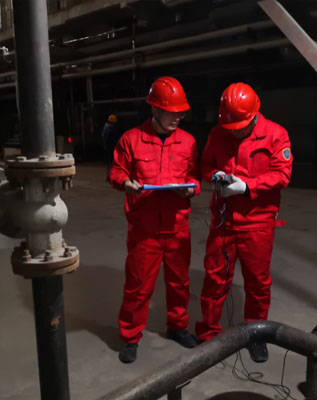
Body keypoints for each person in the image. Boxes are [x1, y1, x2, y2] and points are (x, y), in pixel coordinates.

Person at [195, 82, 292, 363]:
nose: (235, 132)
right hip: (223, 220)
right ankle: (208, 332)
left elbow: (282, 174)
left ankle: (256, 335)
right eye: (231, 127)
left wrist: (247, 186)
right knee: (214, 279)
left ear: (254, 115)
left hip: (257, 223)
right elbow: (206, 165)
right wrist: (215, 177)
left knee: (257, 283)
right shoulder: (218, 132)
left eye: (240, 127)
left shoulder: (276, 135)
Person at [109, 76, 200, 363]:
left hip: (177, 226)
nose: (178, 118)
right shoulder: (131, 139)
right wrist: (125, 183)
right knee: (138, 285)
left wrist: (191, 189)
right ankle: (130, 336)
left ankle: (177, 327)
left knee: (179, 283)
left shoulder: (188, 142)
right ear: (155, 109)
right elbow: (116, 171)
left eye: (181, 113)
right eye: (172, 113)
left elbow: (195, 176)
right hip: (144, 228)